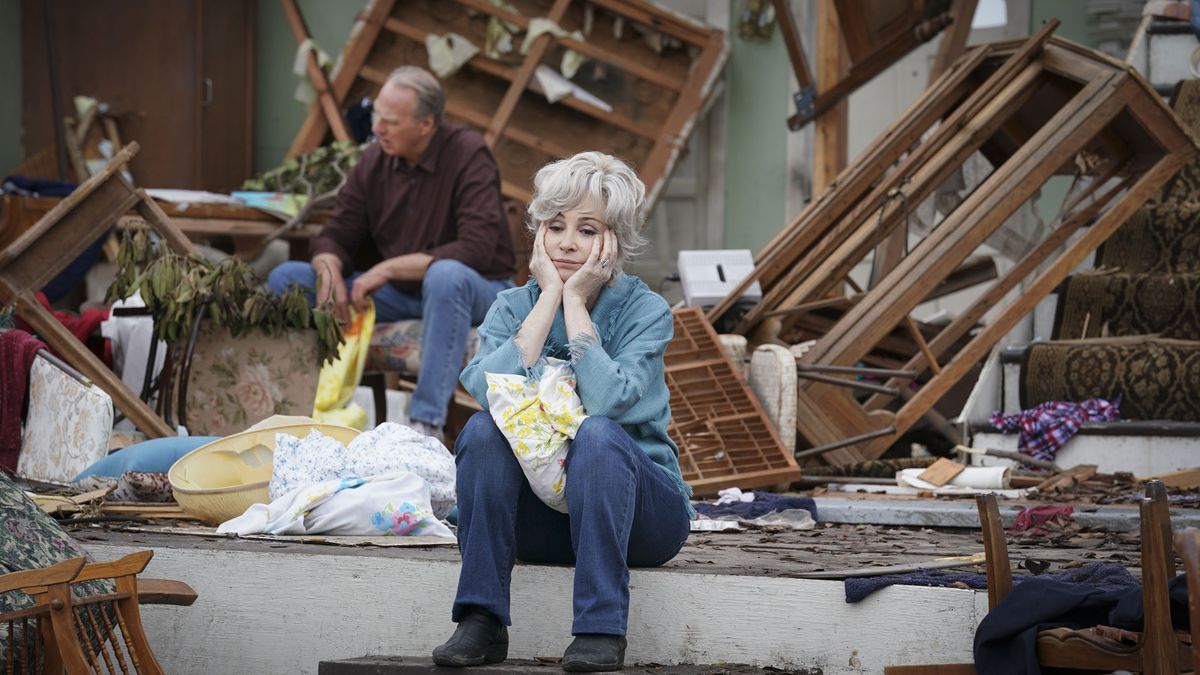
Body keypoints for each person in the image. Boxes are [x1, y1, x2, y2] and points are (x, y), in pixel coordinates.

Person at [431, 152, 693, 672]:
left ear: (613, 241)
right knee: (484, 430)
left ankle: (601, 630)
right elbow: (486, 391)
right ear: (538, 235)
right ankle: (480, 621)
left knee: (595, 433)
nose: (568, 242)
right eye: (555, 226)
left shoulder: (647, 312)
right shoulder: (512, 306)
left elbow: (608, 401)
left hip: (643, 518)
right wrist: (548, 297)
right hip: (547, 521)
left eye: (587, 229)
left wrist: (576, 305)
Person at [267, 66, 515, 441]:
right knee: (286, 278)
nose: (377, 127)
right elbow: (336, 234)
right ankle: (300, 412)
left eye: (390, 120)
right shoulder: (374, 159)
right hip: (401, 297)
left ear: (426, 124)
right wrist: (329, 273)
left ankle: (423, 427)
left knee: (445, 276)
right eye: (376, 114)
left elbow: (476, 248)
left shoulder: (468, 153)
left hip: (475, 289)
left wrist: (388, 269)